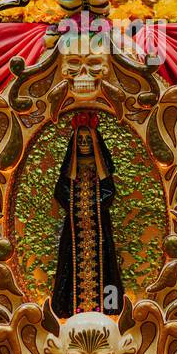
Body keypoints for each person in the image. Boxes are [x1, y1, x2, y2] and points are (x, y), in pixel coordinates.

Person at [51, 118, 123, 318]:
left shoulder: (101, 170)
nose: (83, 144)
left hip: (99, 228)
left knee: (105, 264)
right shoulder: (70, 169)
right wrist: (79, 204)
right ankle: (68, 308)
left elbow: (109, 192)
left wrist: (90, 203)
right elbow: (61, 192)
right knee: (70, 264)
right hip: (74, 229)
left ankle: (108, 308)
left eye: (87, 140)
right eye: (80, 140)